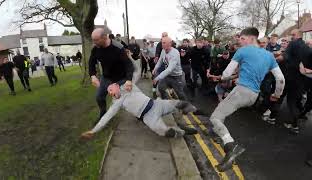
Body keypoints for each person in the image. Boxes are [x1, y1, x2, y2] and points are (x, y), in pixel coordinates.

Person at [209, 27, 285, 171]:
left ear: (251, 38)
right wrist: (277, 95)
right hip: (253, 96)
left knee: (215, 118)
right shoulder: (269, 56)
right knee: (222, 112)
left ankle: (232, 147)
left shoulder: (243, 51)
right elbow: (280, 79)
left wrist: (222, 77)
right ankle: (217, 132)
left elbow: (226, 73)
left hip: (241, 91)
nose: (240, 41)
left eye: (242, 39)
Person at [80, 83, 199, 140]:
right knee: (166, 133)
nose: (110, 93)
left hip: (156, 104)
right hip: (148, 117)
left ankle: (196, 111)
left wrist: (130, 57)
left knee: (181, 104)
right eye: (109, 92)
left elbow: (136, 70)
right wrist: (93, 131)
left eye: (111, 89)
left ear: (117, 85)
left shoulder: (129, 86)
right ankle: (182, 130)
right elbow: (106, 117)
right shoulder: (116, 103)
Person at [89, 28, 134, 121]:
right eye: (93, 40)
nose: (94, 43)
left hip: (120, 79)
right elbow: (91, 62)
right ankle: (103, 115)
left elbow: (129, 64)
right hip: (106, 78)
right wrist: (93, 76)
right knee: (99, 97)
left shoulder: (118, 48)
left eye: (96, 40)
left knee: (125, 101)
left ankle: (141, 114)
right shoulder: (96, 48)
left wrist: (129, 80)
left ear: (105, 37)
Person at [283, 29, 310, 134]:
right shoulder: (307, 48)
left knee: (291, 102)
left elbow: (285, 57)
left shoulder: (293, 44)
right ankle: (299, 117)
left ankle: (294, 125)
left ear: (297, 35)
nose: (291, 37)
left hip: (291, 78)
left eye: (292, 35)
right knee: (297, 100)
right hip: (303, 80)